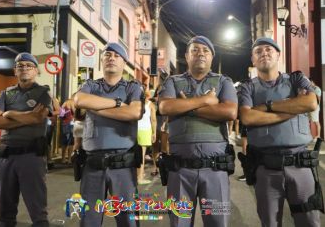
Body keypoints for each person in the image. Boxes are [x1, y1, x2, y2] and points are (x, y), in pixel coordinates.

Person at [238, 37, 322, 226]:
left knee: (309, 221)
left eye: (269, 49)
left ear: (278, 55)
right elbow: (248, 117)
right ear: (252, 59)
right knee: (270, 222)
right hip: (266, 168)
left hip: (300, 164)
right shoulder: (247, 87)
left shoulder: (296, 79)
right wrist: (291, 109)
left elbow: (310, 102)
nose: (264, 53)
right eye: (258, 51)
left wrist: (267, 107)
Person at [158, 36, 238, 227]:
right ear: (186, 56)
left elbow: (230, 112)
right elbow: (165, 107)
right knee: (179, 223)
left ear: (212, 57)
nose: (200, 53)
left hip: (215, 171)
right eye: (195, 50)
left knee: (218, 223)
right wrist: (205, 101)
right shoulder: (172, 81)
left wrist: (186, 106)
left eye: (205, 50)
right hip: (180, 172)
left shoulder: (223, 81)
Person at [65, 43, 143, 227]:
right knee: (89, 220)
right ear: (101, 60)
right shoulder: (90, 85)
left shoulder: (132, 88)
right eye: (107, 54)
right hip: (93, 165)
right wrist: (117, 104)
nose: (111, 58)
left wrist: (94, 107)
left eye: (117, 56)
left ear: (124, 63)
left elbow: (133, 113)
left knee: (128, 220)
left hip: (123, 165)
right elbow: (80, 100)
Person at [0, 52, 52, 227]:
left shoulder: (43, 93)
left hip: (31, 157)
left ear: (36, 71)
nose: (24, 68)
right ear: (14, 71)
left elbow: (38, 119)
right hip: (6, 156)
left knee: (38, 212)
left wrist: (9, 114)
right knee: (5, 212)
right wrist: (26, 117)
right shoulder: (6, 94)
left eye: (28, 66)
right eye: (20, 66)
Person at [137, 93, 157, 184]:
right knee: (142, 155)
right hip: (145, 130)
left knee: (135, 154)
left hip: (134, 129)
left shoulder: (135, 103)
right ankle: (140, 177)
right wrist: (154, 133)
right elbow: (153, 119)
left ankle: (137, 174)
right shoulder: (150, 104)